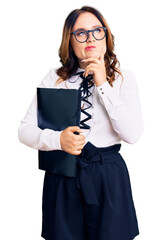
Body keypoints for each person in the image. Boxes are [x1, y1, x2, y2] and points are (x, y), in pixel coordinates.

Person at [18, 5, 144, 240]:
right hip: (63, 175)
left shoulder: (122, 79)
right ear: (70, 40)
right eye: (81, 33)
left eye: (97, 30)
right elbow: (24, 130)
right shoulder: (55, 78)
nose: (90, 38)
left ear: (106, 36)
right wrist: (57, 140)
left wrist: (102, 85)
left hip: (108, 177)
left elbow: (133, 134)